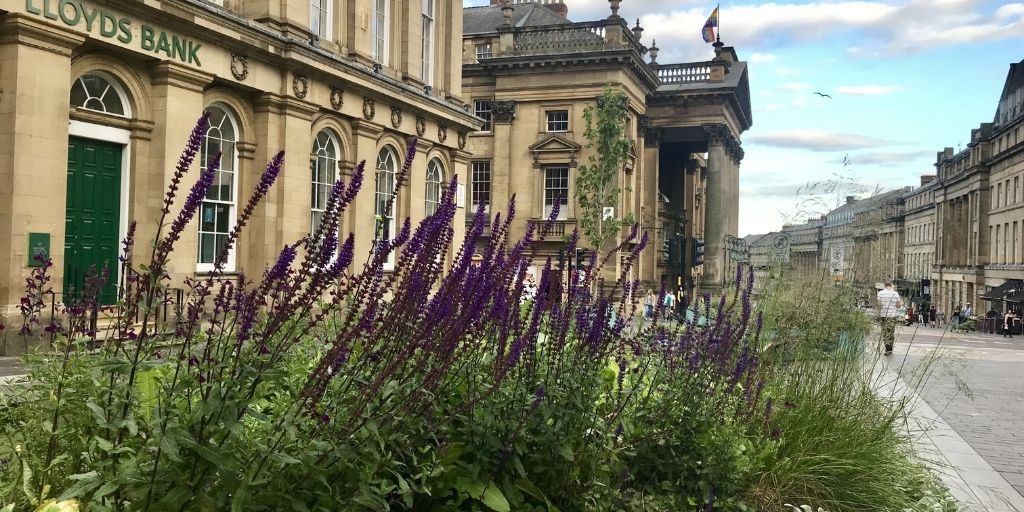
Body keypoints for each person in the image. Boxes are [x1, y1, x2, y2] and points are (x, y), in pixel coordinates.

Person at [877, 281, 903, 356]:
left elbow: (878, 305)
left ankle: (886, 347)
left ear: (884, 286)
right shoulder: (895, 293)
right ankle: (890, 349)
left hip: (884, 315)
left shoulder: (880, 293)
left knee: (885, 332)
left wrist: (883, 306)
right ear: (891, 286)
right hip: (892, 315)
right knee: (891, 332)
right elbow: (898, 305)